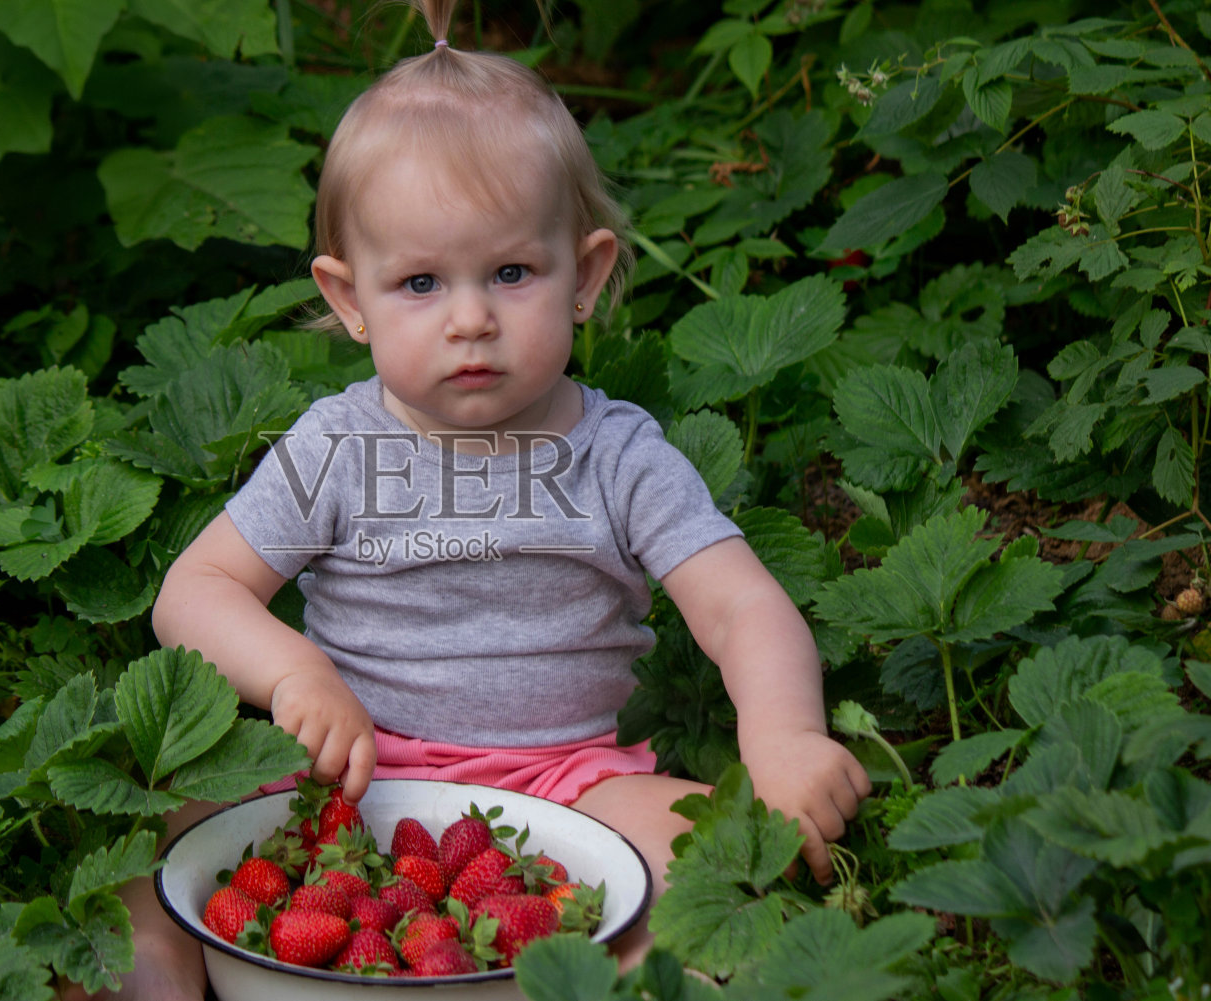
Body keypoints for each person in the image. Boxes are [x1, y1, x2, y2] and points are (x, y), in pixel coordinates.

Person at [72, 2, 870, 997]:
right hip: (342, 769)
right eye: (417, 282)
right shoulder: (336, 447)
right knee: (163, 849)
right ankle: (152, 984)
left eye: (509, 271)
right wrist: (291, 674)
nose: (470, 319)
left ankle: (614, 971)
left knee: (716, 858)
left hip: (563, 780)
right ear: (349, 296)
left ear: (584, 275)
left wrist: (784, 735)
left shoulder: (616, 453)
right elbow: (195, 591)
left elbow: (741, 605)